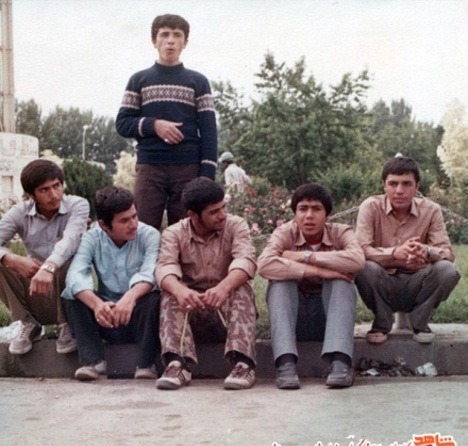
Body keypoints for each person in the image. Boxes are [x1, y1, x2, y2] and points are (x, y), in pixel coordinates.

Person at [116, 14, 217, 231]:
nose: (170, 41)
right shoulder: (139, 80)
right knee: (142, 231)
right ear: (154, 41)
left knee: (186, 232)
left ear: (185, 42)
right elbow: (122, 123)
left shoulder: (198, 81)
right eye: (164, 35)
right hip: (150, 168)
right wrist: (154, 125)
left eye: (177, 35)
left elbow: (209, 131)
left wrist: (207, 176)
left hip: (188, 169)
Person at [258, 183, 365, 389]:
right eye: (303, 209)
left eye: (316, 209)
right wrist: (319, 271)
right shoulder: (284, 233)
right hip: (294, 319)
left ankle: (341, 364)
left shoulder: (341, 232)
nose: (309, 216)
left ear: (327, 215)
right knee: (280, 285)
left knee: (341, 283)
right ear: (295, 214)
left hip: (329, 319)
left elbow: (357, 260)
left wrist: (305, 256)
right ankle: (285, 365)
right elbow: (264, 265)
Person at [155, 177, 257, 390]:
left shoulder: (236, 225)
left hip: (226, 312)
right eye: (214, 212)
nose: (222, 215)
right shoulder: (174, 233)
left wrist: (223, 288)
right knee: (170, 292)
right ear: (192, 215)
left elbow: (246, 260)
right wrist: (181, 291)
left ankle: (243, 364)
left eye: (223, 207)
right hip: (191, 313)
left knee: (241, 288)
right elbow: (164, 267)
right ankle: (177, 364)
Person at [355, 155, 460, 345]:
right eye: (393, 184)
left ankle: (419, 322)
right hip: (382, 281)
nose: (399, 191)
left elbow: (447, 253)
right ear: (384, 185)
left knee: (447, 270)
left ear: (417, 186)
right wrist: (393, 253)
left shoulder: (431, 210)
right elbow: (360, 250)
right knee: (364, 267)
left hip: (418, 282)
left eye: (407, 184)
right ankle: (381, 323)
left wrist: (427, 251)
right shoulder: (370, 207)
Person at [62, 187, 161, 381]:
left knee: (153, 297)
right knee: (72, 294)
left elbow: (151, 273)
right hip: (106, 316)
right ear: (104, 224)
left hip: (139, 316)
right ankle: (93, 362)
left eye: (134, 216)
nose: (133, 224)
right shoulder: (92, 237)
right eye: (124, 221)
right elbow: (75, 274)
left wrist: (130, 297)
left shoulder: (149, 235)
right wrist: (97, 305)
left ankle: (146, 364)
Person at [0, 159, 89, 355]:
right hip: (37, 289)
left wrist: (49, 266)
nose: (54, 195)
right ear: (31, 195)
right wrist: (12, 259)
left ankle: (68, 324)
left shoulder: (78, 205)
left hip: (69, 294)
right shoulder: (19, 213)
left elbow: (70, 240)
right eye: (44, 190)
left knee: (68, 258)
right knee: (1, 262)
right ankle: (27, 323)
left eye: (56, 186)